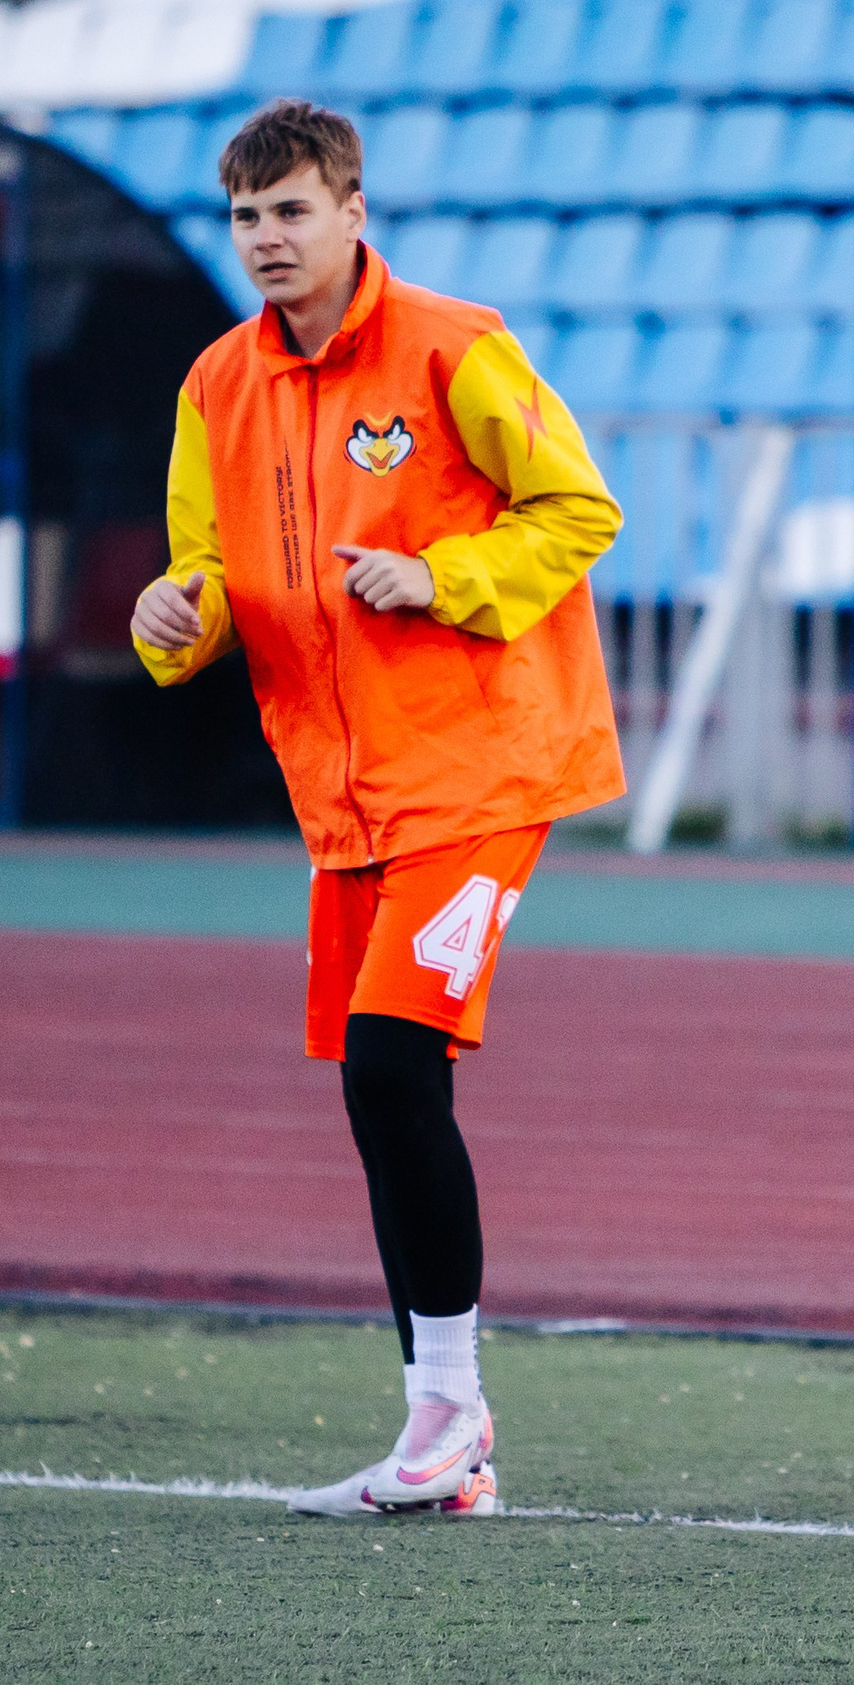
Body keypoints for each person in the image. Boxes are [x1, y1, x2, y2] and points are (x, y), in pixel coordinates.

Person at [130, 99, 625, 1518]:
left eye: (291, 210)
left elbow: (576, 509)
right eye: (244, 217)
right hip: (342, 799)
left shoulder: (455, 347)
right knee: (383, 1096)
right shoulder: (215, 383)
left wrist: (444, 578)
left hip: (478, 769)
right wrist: (176, 615)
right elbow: (207, 573)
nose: (265, 240)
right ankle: (444, 1439)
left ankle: (452, 1417)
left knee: (393, 1068)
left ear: (354, 209)